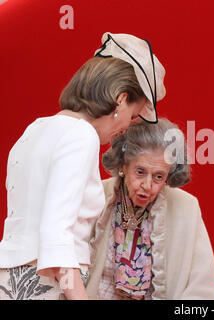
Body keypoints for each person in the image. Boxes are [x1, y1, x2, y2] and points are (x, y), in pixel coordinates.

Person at [0, 32, 166, 300]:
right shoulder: (81, 134)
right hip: (46, 286)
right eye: (132, 116)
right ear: (121, 99)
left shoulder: (35, 129)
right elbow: (56, 236)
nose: (125, 128)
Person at [86, 119, 214, 300]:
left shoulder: (186, 207)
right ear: (124, 166)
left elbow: (202, 287)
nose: (148, 186)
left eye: (158, 176)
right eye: (140, 172)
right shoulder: (96, 197)